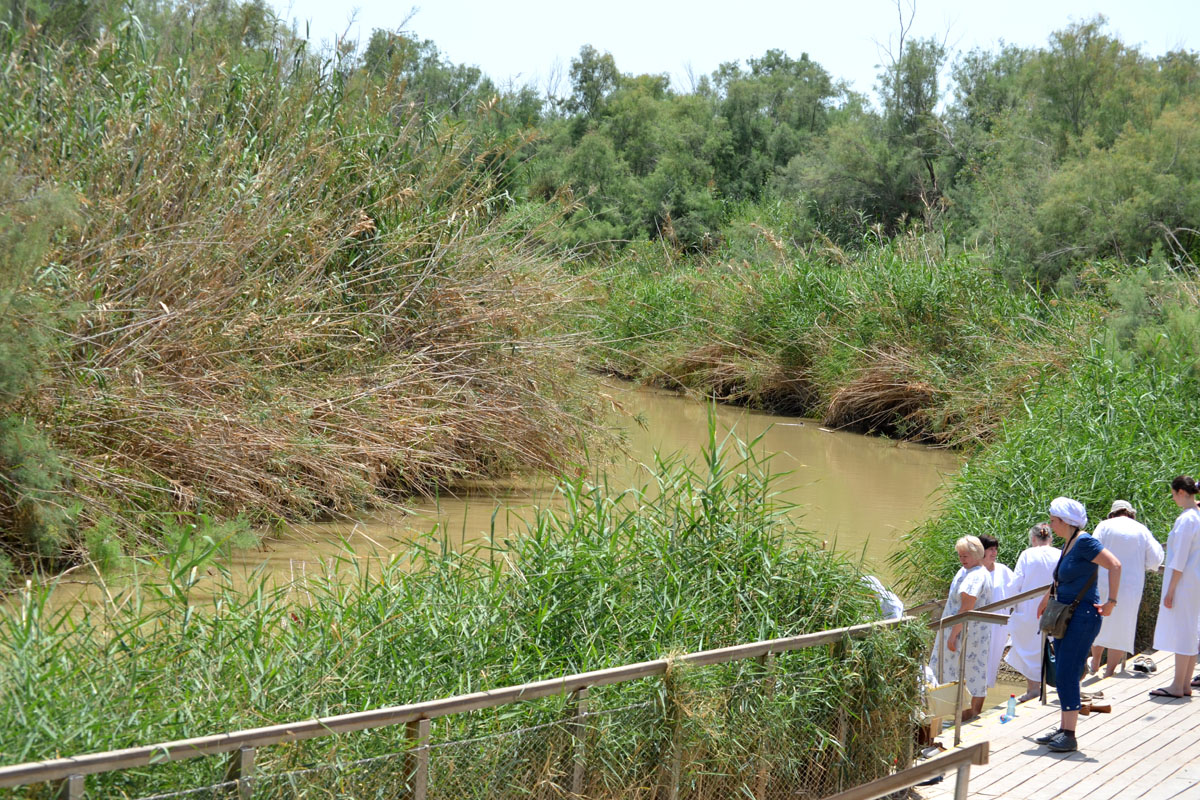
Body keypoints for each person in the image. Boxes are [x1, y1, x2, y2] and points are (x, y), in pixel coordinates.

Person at [1034, 497, 1121, 753]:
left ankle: (1070, 734)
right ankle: (1063, 727)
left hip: (1081, 617)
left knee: (1067, 673)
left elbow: (1114, 564)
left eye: (1053, 520)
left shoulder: (1084, 541)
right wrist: (1046, 599)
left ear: (1064, 521)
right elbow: (1061, 577)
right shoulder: (1069, 543)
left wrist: (1111, 601)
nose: (1050, 525)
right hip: (1067, 614)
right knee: (1063, 669)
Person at [1088, 500, 1164, 677]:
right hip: (1130, 586)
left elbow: (1091, 551)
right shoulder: (1141, 529)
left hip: (1103, 581)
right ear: (1131, 514)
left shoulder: (1104, 526)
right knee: (1123, 627)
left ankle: (1095, 663)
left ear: (1112, 513)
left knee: (1099, 623)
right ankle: (1110, 671)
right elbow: (1155, 559)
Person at [929, 535, 993, 723]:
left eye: (966, 555)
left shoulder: (975, 576)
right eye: (960, 556)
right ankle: (964, 716)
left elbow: (966, 607)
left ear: (977, 554)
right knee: (970, 672)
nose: (962, 559)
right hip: (973, 633)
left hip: (965, 634)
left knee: (961, 672)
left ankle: (963, 718)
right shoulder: (969, 571)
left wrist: (953, 635)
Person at [1149, 476, 1200, 699]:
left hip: (1184, 581)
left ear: (1180, 492)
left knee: (1183, 630)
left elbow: (1179, 558)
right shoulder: (1197, 517)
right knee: (1190, 630)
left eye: (1173, 493)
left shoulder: (1187, 519)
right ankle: (1185, 683)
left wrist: (1170, 590)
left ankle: (1178, 685)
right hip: (1194, 580)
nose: (1173, 498)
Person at [1005, 523, 1060, 702]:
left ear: (1033, 539)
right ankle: (1054, 684)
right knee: (1051, 645)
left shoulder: (1027, 554)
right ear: (1050, 538)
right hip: (1055, 608)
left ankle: (1034, 688)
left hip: (1029, 610)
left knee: (1028, 648)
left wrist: (1008, 602)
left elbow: (1016, 581)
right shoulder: (1060, 554)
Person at [979, 534, 1016, 689]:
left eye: (995, 549)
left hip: (999, 625)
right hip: (980, 624)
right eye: (990, 549)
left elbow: (1016, 590)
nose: (994, 553)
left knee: (993, 661)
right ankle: (974, 695)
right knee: (979, 661)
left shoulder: (1002, 570)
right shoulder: (976, 571)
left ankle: (982, 695)